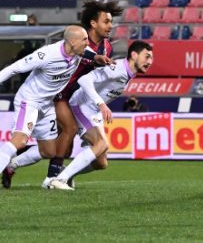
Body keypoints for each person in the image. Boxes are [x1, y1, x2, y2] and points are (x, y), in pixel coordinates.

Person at [1, 0, 123, 190]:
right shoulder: (76, 40)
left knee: (61, 147)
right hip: (59, 93)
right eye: (106, 21)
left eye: (110, 21)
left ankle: (12, 165)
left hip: (79, 98)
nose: (110, 26)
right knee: (69, 130)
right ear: (93, 23)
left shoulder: (106, 47)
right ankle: (53, 176)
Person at [0, 25, 103, 193]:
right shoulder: (46, 55)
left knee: (49, 151)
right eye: (84, 39)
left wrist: (98, 57)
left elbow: (89, 52)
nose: (87, 43)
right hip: (29, 101)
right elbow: (13, 68)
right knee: (20, 140)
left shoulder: (79, 50)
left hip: (47, 104)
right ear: (71, 41)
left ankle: (11, 165)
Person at [49, 40, 153, 190]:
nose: (149, 61)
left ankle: (66, 173)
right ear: (134, 55)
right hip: (80, 105)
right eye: (147, 56)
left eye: (151, 58)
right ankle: (59, 179)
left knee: (101, 163)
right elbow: (84, 80)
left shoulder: (128, 73)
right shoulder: (117, 68)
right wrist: (101, 104)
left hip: (93, 111)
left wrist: (99, 106)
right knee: (101, 144)